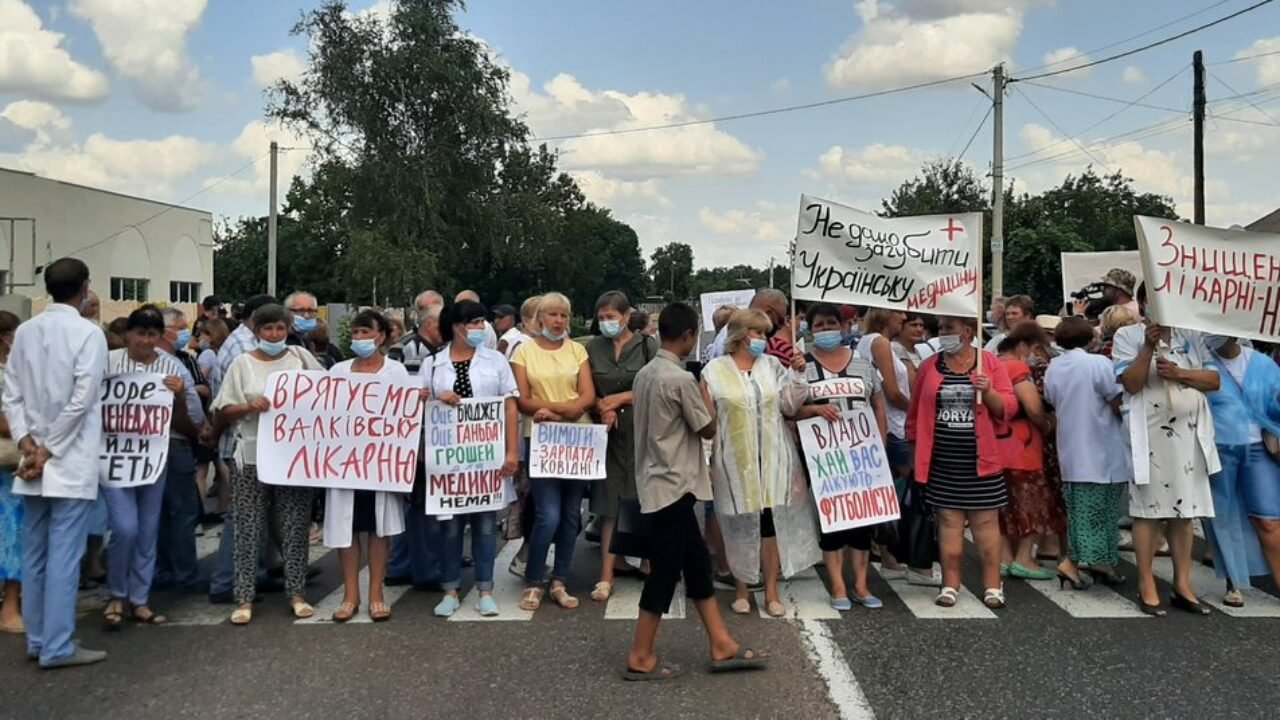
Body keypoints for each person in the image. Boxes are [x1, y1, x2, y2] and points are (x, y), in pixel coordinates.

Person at [625, 302, 768, 681]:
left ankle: (721, 642)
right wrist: (714, 396)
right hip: (675, 484)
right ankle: (640, 654)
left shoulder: (645, 373)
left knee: (697, 565)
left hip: (659, 480)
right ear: (689, 336)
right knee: (666, 570)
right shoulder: (680, 379)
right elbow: (706, 428)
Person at [2, 258, 108, 667]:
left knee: (35, 552)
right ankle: (58, 646)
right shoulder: (88, 333)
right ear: (85, 287)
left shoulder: (26, 332)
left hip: (33, 457)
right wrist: (49, 449)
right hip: (68, 456)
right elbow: (81, 400)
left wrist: (28, 442)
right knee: (64, 554)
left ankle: (39, 638)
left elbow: (11, 392)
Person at [211, 304, 326, 625]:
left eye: (279, 328)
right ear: (257, 332)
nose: (274, 335)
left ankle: (297, 593)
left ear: (287, 329)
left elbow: (328, 396)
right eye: (267, 329)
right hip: (251, 456)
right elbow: (223, 409)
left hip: (292, 457)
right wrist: (250, 406)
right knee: (248, 526)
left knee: (293, 524)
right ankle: (244, 597)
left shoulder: (301, 360)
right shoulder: (242, 364)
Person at [703, 309, 819, 617]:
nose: (763, 340)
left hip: (772, 458)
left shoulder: (771, 367)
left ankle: (770, 590)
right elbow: (708, 420)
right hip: (734, 461)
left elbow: (789, 406)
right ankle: (742, 588)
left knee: (769, 526)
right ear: (741, 335)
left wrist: (797, 375)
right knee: (740, 526)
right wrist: (706, 462)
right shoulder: (714, 371)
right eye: (757, 334)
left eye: (765, 334)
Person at [99, 306, 201, 628]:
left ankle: (139, 599)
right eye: (139, 333)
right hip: (115, 458)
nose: (145, 340)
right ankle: (117, 593)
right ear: (127, 334)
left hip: (154, 459)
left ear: (160, 337)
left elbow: (191, 422)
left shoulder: (172, 367)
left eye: (152, 334)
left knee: (147, 530)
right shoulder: (108, 364)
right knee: (124, 528)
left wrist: (180, 396)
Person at [906, 316, 1017, 609]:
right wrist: (913, 454)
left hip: (981, 461)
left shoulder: (990, 363)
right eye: (940, 329)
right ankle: (950, 583)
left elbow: (1009, 408)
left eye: (949, 329)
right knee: (948, 523)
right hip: (942, 461)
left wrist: (989, 390)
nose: (942, 334)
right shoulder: (930, 366)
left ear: (968, 332)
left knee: (985, 524)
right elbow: (916, 413)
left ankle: (993, 584)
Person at [1113, 320, 1220, 616]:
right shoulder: (1128, 335)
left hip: (1188, 433)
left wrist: (1180, 373)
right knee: (1147, 510)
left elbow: (1213, 380)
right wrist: (1148, 346)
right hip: (1149, 433)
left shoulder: (1192, 333)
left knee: (1185, 511)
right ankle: (1146, 582)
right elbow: (1131, 383)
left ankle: (1182, 584)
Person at [422, 301, 520, 617]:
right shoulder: (435, 364)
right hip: (448, 461)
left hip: (486, 458)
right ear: (456, 326)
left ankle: (485, 589)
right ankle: (450, 589)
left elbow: (509, 406)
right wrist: (437, 397)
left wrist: (511, 451)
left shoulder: (496, 361)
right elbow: (417, 404)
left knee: (485, 526)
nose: (480, 328)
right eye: (474, 322)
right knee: (450, 528)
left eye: (482, 321)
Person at [794, 303, 891, 610]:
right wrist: (814, 409)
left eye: (831, 324)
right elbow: (790, 410)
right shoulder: (803, 367)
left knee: (862, 525)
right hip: (824, 458)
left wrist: (882, 443)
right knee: (833, 523)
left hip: (864, 457)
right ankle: (837, 586)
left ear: (844, 326)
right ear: (810, 330)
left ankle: (861, 586)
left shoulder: (862, 363)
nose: (826, 330)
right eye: (819, 325)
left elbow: (878, 403)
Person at [510, 292, 596, 612]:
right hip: (543, 437)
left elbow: (587, 395)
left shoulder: (578, 351)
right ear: (540, 319)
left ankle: (560, 579)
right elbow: (523, 398)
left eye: (564, 315)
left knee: (572, 515)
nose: (559, 321)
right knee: (549, 515)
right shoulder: (524, 353)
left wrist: (560, 410)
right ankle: (534, 580)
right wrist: (564, 410)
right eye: (553, 315)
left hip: (578, 437)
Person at [322, 310, 408, 622]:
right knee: (346, 529)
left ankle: (375, 594)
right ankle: (349, 596)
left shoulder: (396, 372)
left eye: (366, 332)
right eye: (355, 333)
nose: (360, 339)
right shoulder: (338, 372)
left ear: (382, 336)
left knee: (378, 529)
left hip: (381, 466)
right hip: (344, 466)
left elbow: (405, 418)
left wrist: (417, 399)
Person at [1044, 316, 1129, 589]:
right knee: (1099, 511)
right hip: (1101, 443)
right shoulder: (1098, 363)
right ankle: (1072, 562)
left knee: (1081, 510)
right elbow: (1116, 399)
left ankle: (1101, 562)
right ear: (1090, 338)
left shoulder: (1054, 367)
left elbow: (1051, 399)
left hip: (1071, 445)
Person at [584, 292, 657, 602]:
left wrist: (622, 398)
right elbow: (587, 389)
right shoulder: (591, 348)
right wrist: (604, 406)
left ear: (627, 317)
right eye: (601, 318)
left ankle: (649, 563)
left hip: (642, 431)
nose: (606, 323)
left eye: (612, 317)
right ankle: (606, 575)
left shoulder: (646, 347)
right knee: (609, 500)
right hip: (608, 434)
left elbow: (657, 386)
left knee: (644, 497)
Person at [1202, 334, 1280, 607]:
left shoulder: (1263, 364)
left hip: (1259, 447)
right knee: (1224, 516)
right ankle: (1233, 582)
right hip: (1218, 448)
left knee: (1269, 518)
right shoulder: (1202, 362)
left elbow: (1275, 406)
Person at [858, 308, 933, 585]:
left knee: (890, 492)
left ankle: (889, 553)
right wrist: (919, 412)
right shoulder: (879, 342)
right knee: (915, 493)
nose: (904, 318)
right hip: (896, 426)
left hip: (888, 425)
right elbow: (891, 391)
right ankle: (913, 557)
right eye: (899, 313)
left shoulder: (869, 341)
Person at [995, 323, 1065, 581]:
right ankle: (1024, 558)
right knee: (1031, 503)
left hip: (996, 445)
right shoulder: (1018, 368)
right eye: (1036, 349)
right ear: (1023, 346)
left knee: (1001, 505)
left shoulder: (990, 365)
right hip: (1022, 447)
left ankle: (1002, 557)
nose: (1036, 355)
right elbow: (1033, 408)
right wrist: (1047, 424)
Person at [154, 307, 208, 593]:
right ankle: (183, 572)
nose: (187, 334)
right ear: (166, 332)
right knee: (181, 510)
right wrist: (198, 429)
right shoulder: (169, 364)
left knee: (161, 511)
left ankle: (161, 569)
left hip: (161, 443)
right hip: (174, 442)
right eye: (182, 328)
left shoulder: (177, 360)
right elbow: (186, 407)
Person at [0, 311, 24, 634]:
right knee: (13, 536)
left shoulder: (12, 372)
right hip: (7, 462)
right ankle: (10, 608)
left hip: (13, 465)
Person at [388, 292, 444, 374]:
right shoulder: (404, 345)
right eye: (422, 308)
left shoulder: (452, 345)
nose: (427, 312)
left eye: (434, 308)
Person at [285, 291, 341, 365]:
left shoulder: (308, 341)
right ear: (287, 312)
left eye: (311, 311)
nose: (306, 316)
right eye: (300, 310)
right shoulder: (280, 340)